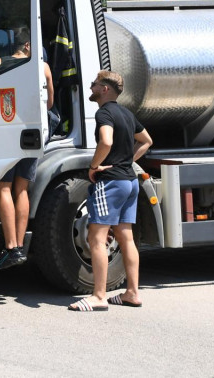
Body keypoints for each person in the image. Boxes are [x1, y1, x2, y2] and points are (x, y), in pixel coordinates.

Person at [68, 70, 152, 311]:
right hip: (130, 182)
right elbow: (147, 140)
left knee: (96, 237)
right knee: (125, 237)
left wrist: (95, 166)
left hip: (111, 183)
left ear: (105, 89)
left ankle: (99, 296)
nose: (91, 87)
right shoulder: (126, 114)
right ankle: (132, 293)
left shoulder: (104, 113)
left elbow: (106, 141)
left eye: (95, 84)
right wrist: (128, 161)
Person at [0, 28, 55, 270]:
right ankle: (19, 246)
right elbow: (50, 104)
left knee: (3, 188)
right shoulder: (43, 68)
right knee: (21, 189)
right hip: (32, 135)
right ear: (28, 45)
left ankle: (11, 247)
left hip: (5, 133)